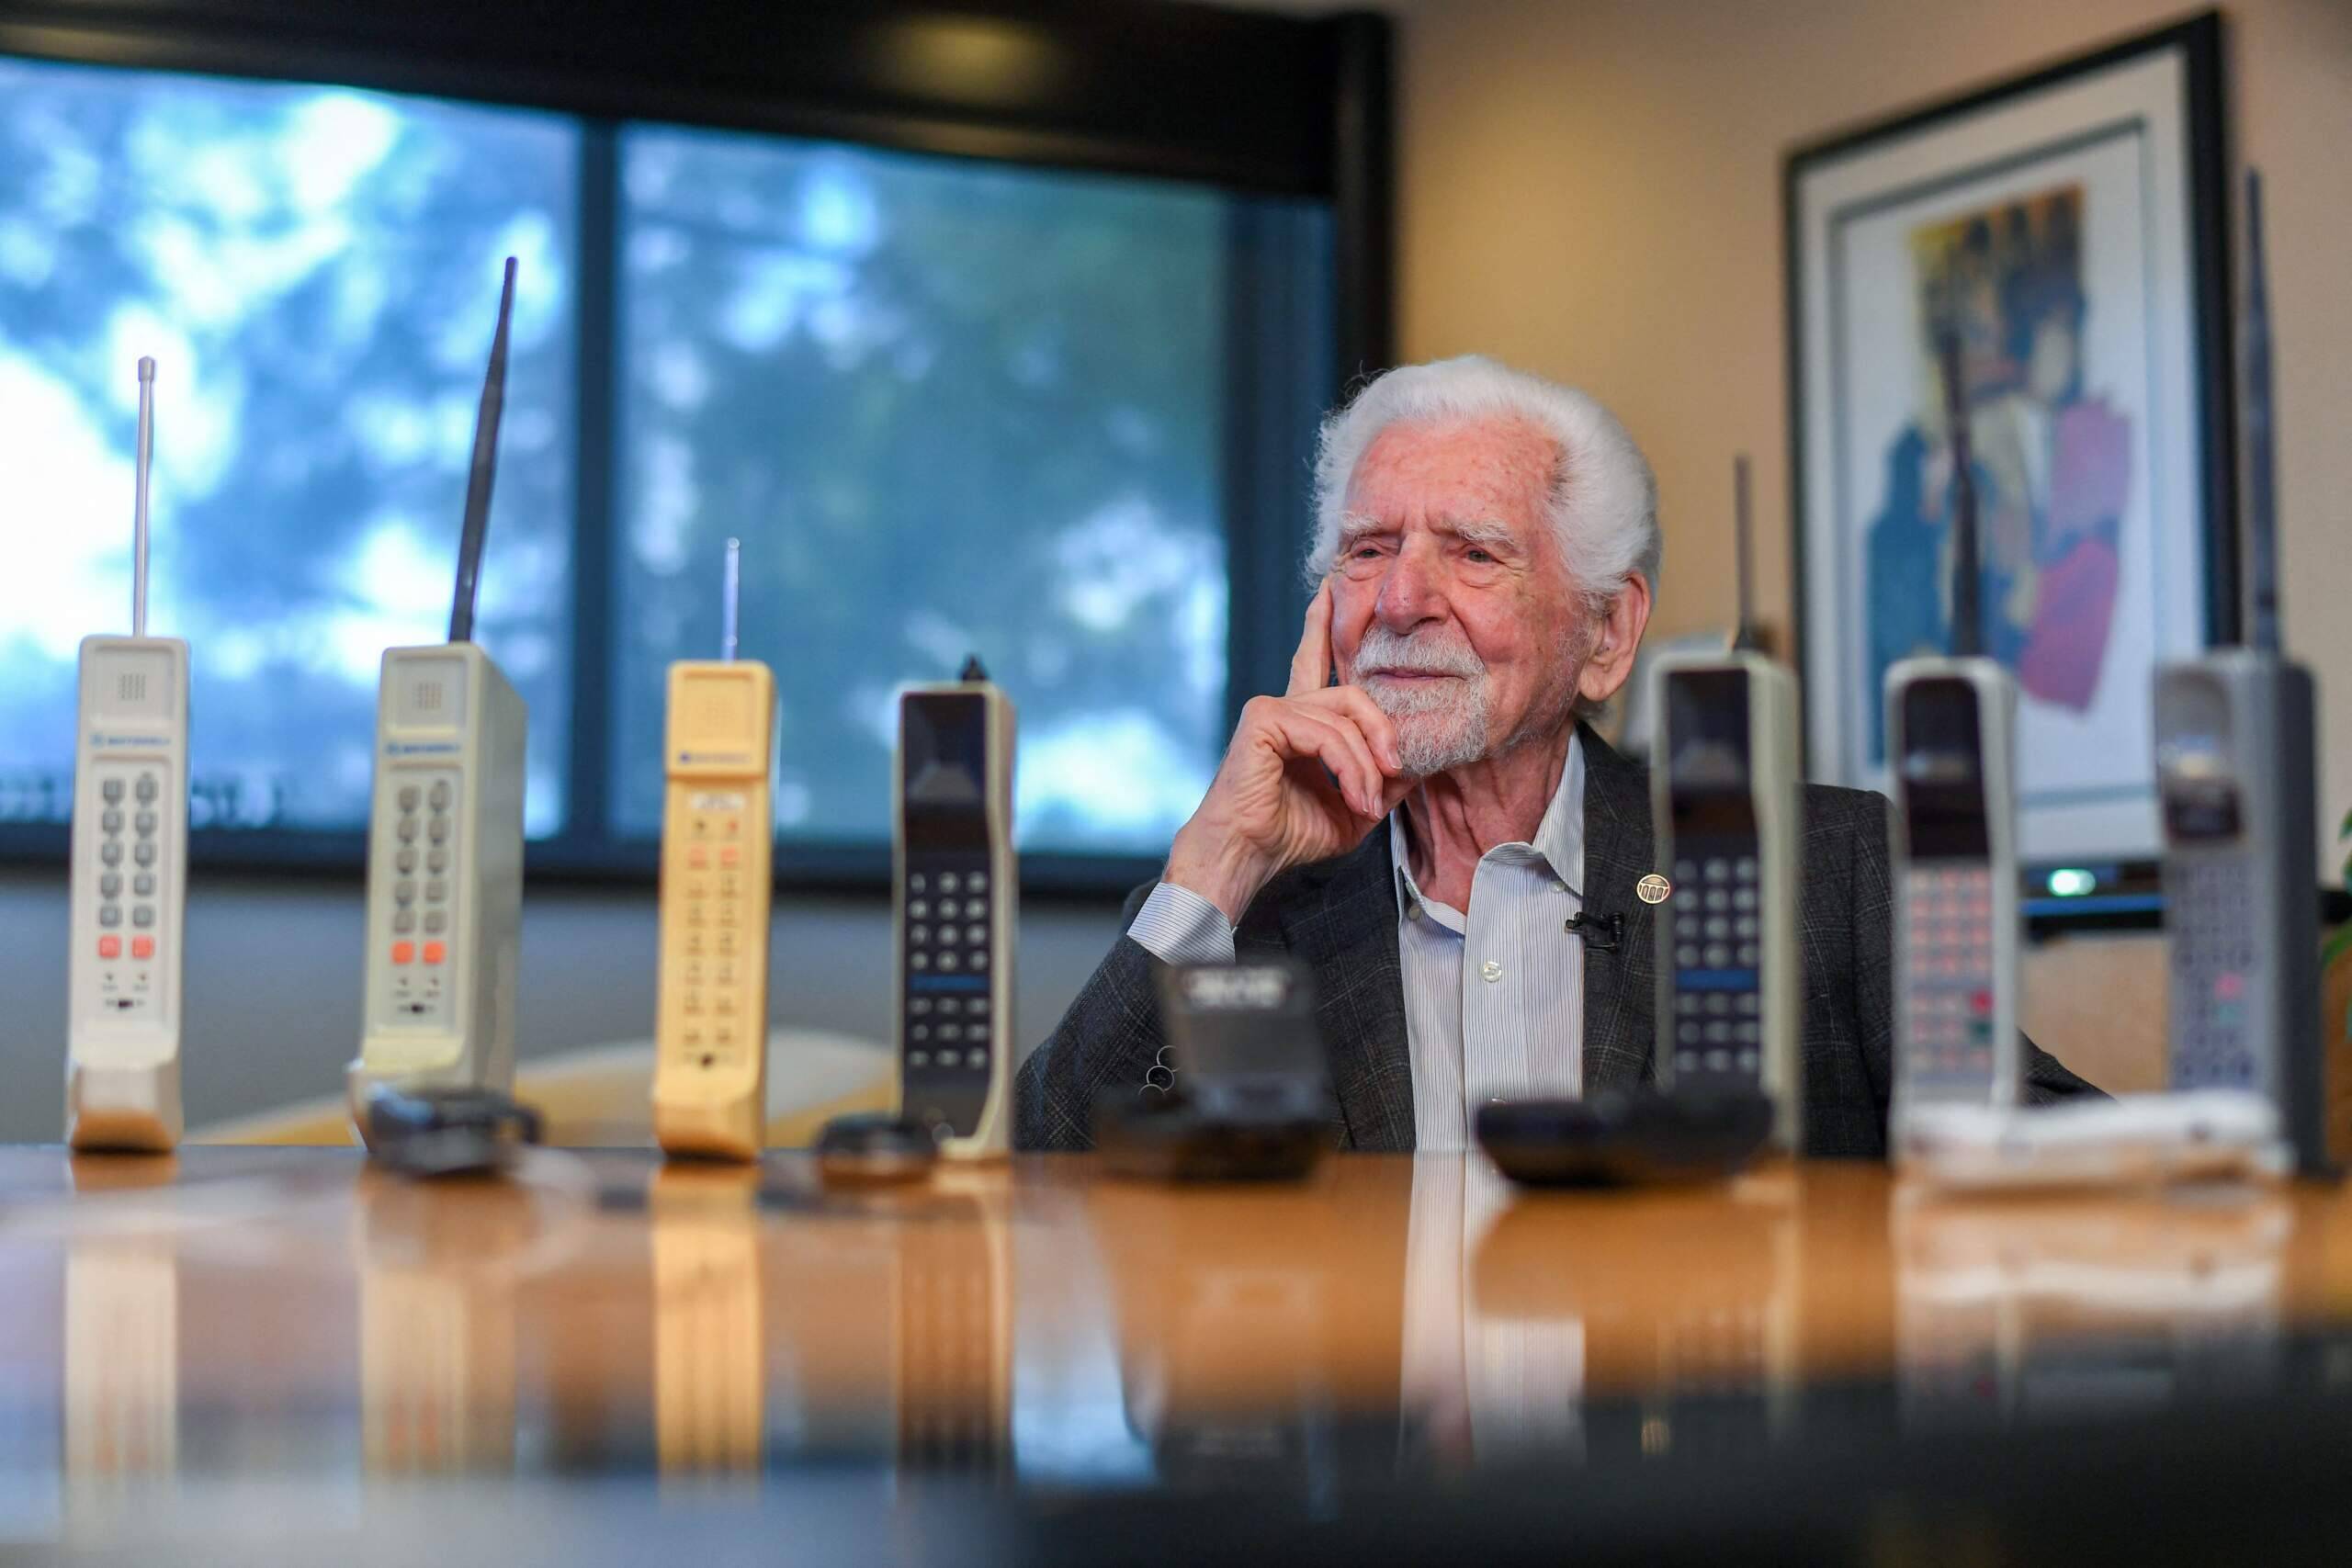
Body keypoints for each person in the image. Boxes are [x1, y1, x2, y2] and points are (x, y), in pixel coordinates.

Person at [1014, 355, 2096, 1156]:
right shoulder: (1245, 908)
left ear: (1607, 636)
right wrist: (1214, 869)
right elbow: (1036, 1196)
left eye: (1473, 553)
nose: (1399, 601)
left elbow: (2069, 1163)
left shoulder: (1830, 868)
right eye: (1367, 549)